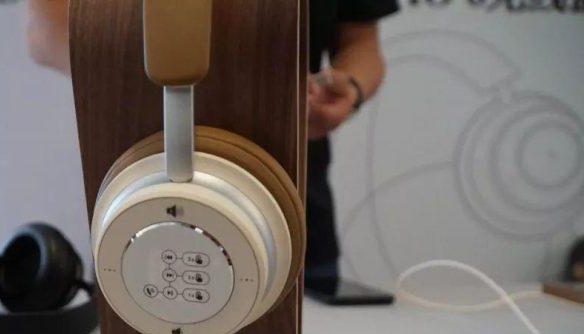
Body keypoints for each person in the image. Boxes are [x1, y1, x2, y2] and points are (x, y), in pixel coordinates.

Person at [27, 0, 398, 288]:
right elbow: (47, 33)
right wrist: (161, 84)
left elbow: (362, 45)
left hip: (288, 206)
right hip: (142, 197)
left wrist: (348, 88)